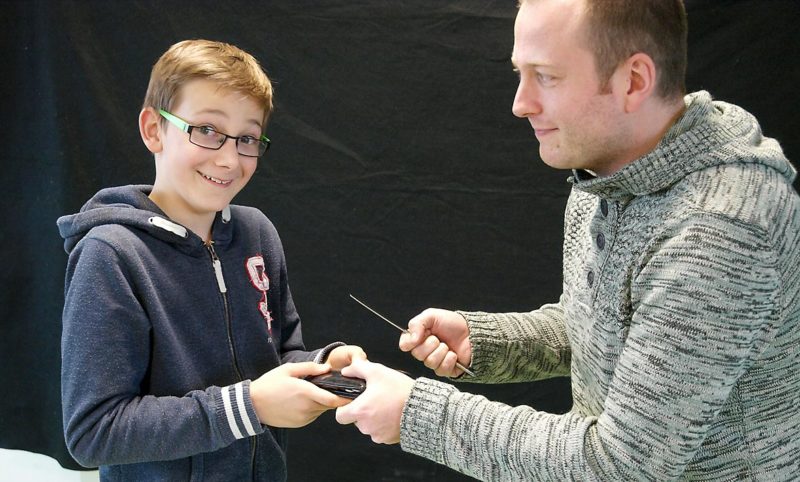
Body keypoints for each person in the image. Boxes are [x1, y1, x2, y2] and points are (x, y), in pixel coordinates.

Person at [335, 0, 800, 480]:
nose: (521, 103)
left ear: (634, 81)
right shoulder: (608, 174)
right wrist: (488, 342)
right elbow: (607, 327)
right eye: (520, 73)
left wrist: (417, 413)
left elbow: (619, 467)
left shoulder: (721, 230)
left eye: (546, 76)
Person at [57, 39, 366, 481]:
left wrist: (324, 366)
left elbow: (280, 356)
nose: (228, 158)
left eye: (248, 139)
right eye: (206, 130)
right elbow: (93, 432)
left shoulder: (257, 233)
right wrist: (251, 406)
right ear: (153, 129)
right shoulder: (111, 255)